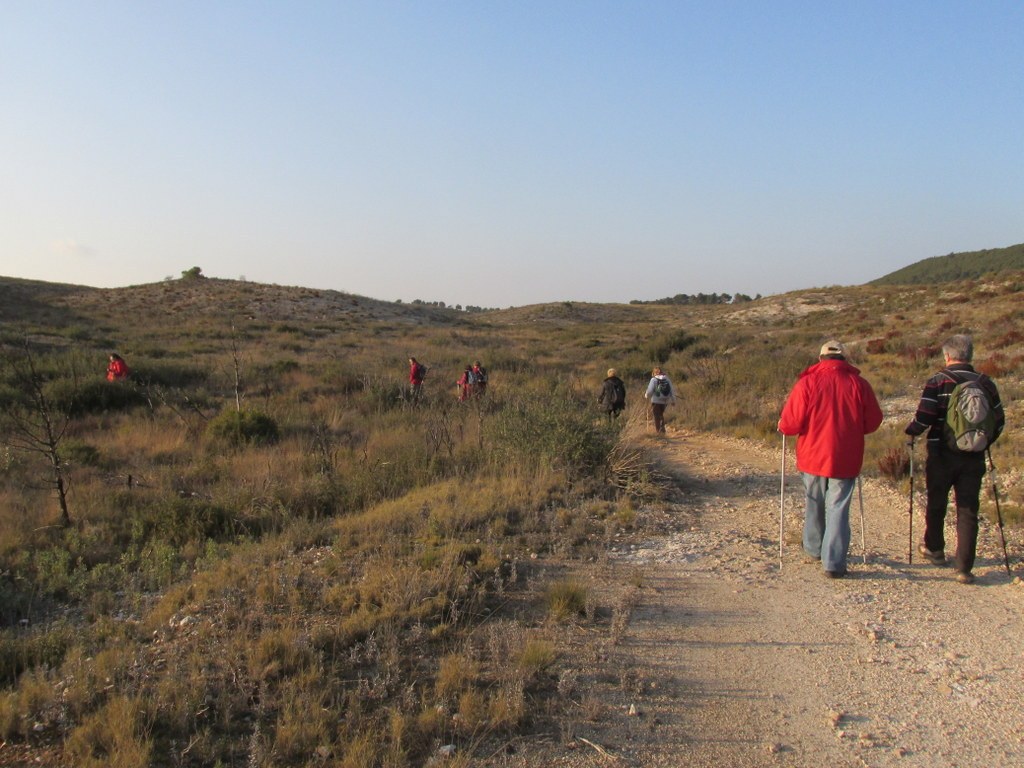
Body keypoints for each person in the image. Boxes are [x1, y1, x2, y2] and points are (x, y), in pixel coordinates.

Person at [904, 334, 1004, 584]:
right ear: (970, 355)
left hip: (941, 454)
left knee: (937, 501)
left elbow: (925, 417)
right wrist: (982, 443)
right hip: (974, 457)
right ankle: (964, 567)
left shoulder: (938, 382)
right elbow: (999, 421)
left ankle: (935, 549)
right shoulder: (986, 383)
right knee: (968, 509)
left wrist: (912, 431)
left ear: (947, 356)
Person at [778, 341, 883, 578]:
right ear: (845, 359)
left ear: (820, 358)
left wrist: (782, 426)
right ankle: (833, 563)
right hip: (846, 456)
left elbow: (791, 424)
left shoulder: (807, 382)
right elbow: (873, 421)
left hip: (812, 455)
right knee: (838, 508)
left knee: (814, 500)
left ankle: (814, 549)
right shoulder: (859, 384)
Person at [644, 367, 676, 434]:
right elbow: (672, 390)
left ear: (654, 373)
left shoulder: (653, 380)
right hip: (665, 400)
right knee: (661, 414)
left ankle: (659, 432)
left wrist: (646, 395)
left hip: (656, 400)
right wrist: (673, 400)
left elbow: (650, 391)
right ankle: (662, 430)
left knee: (656, 416)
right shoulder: (667, 379)